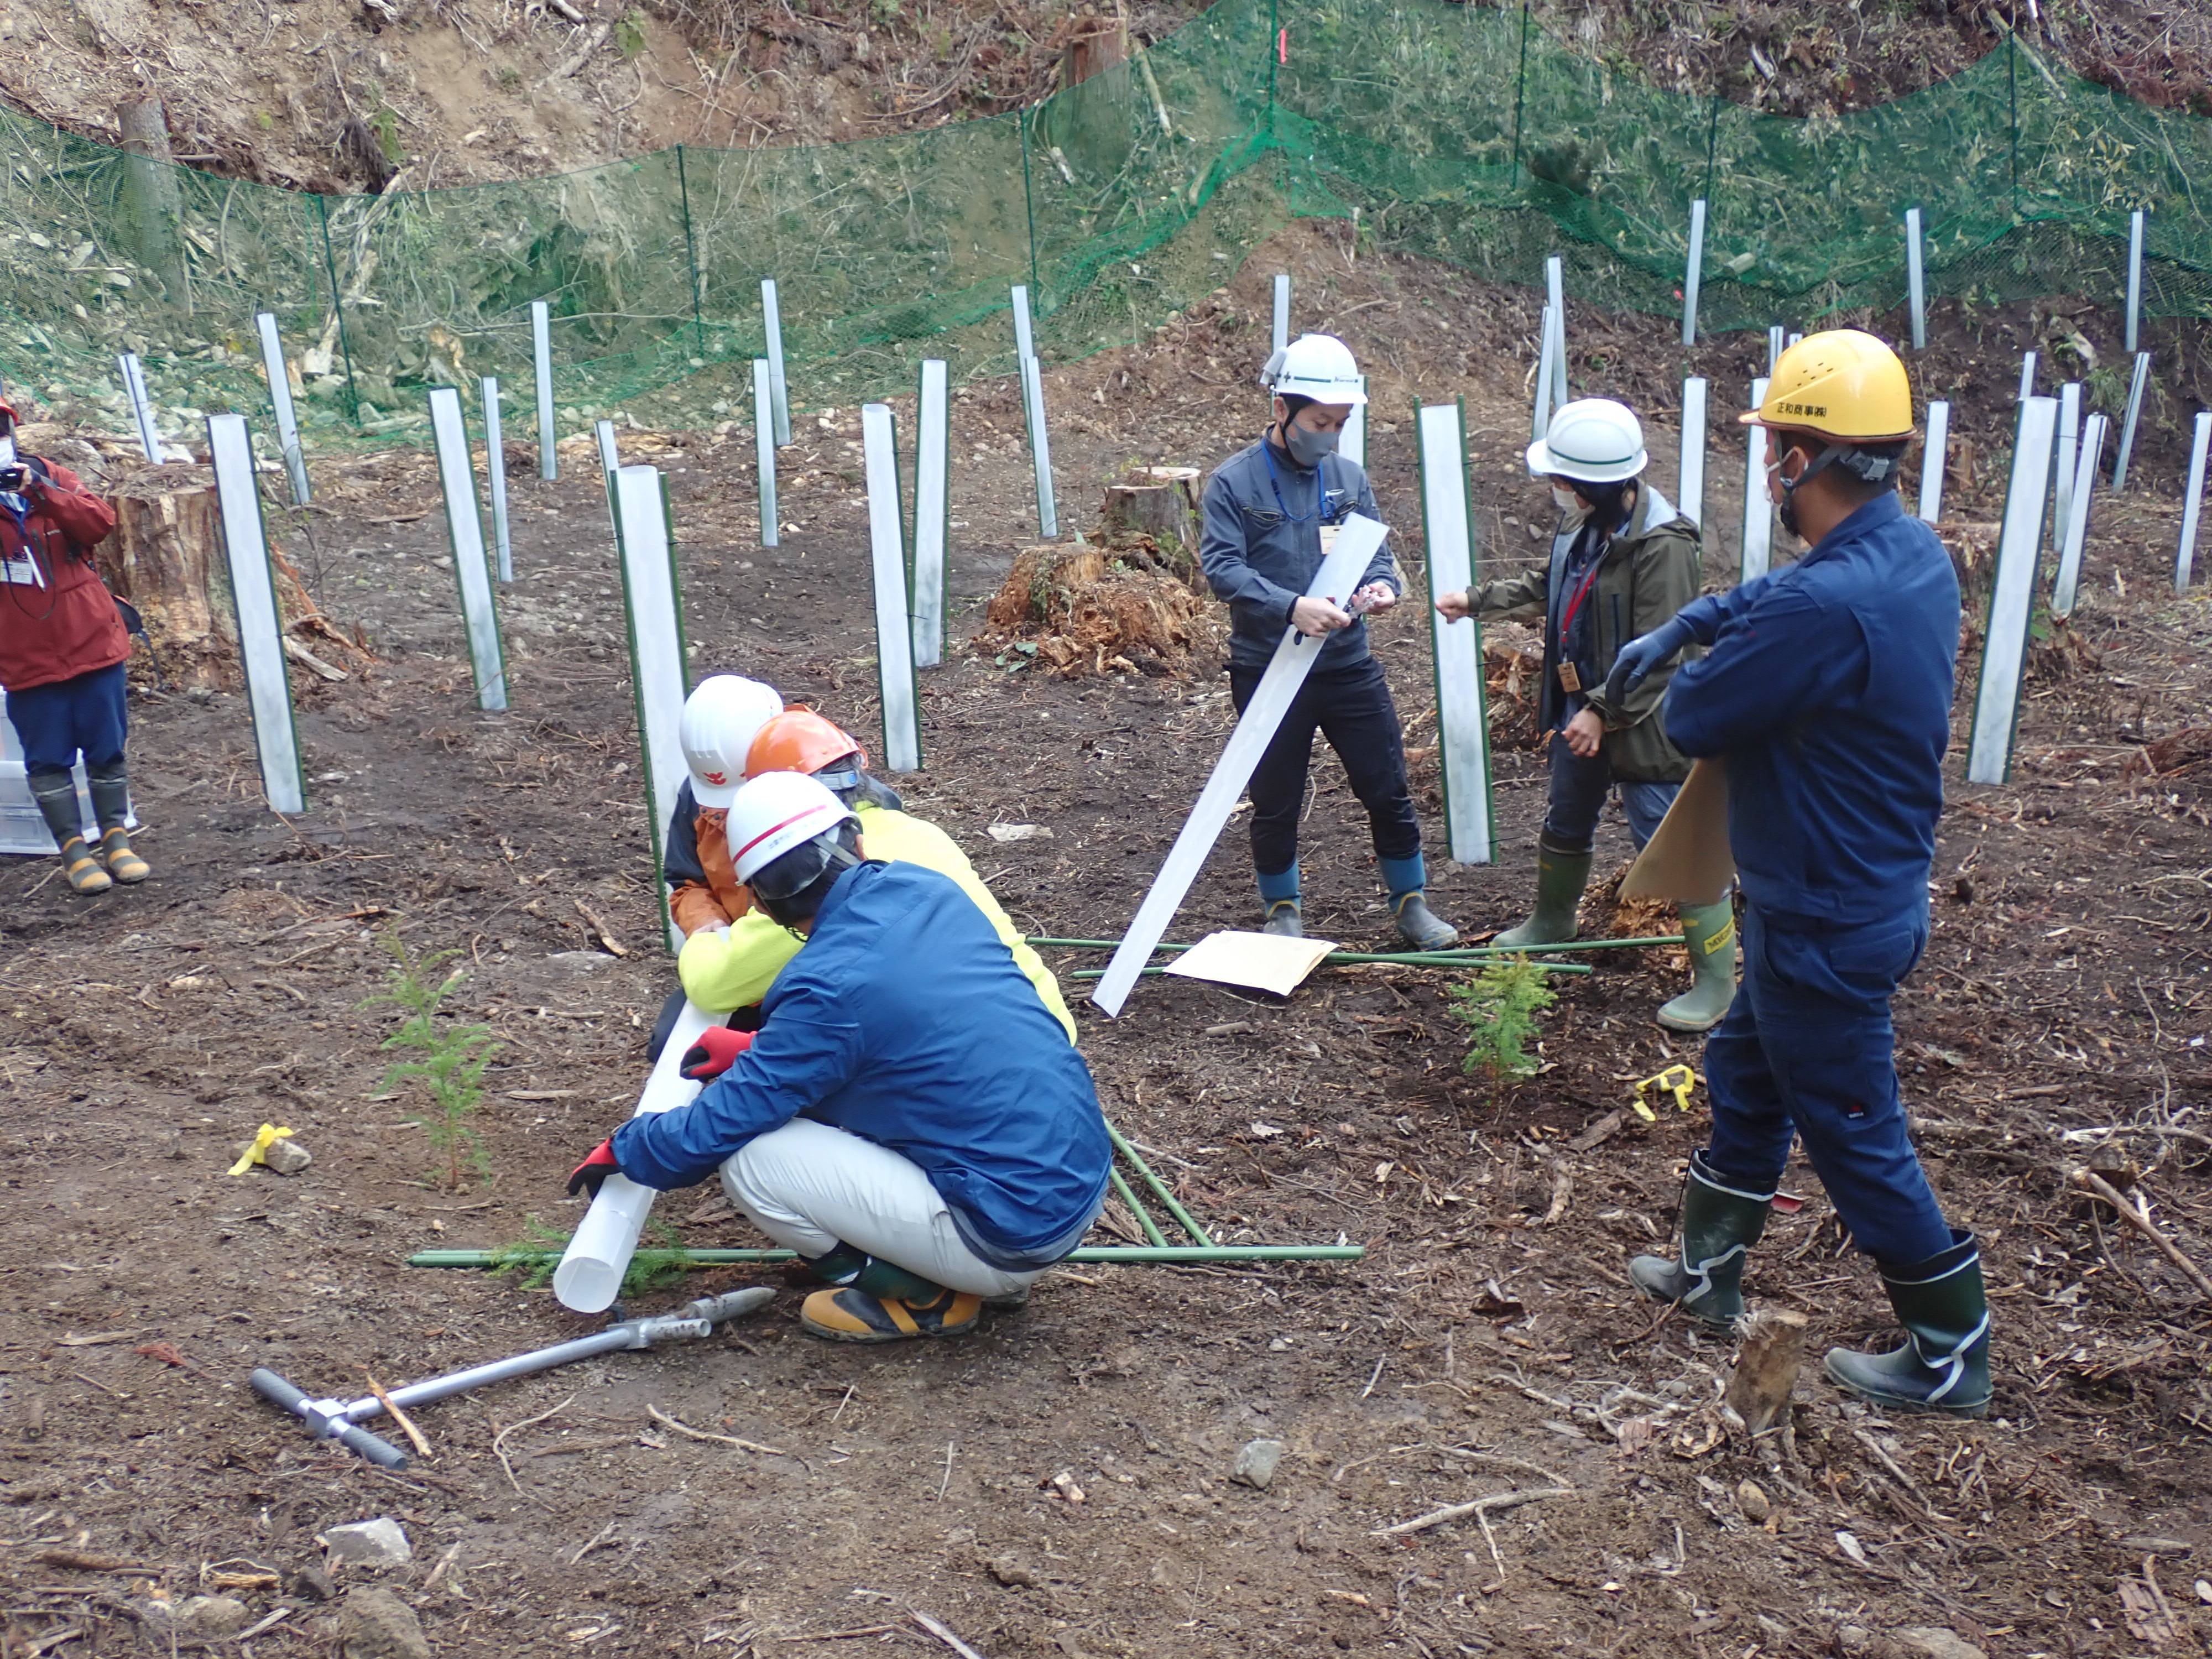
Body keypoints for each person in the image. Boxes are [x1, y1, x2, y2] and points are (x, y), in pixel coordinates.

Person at [1608, 330, 1985, 1416]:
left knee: (1854, 1133)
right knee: (1747, 1075)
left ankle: (1951, 1349)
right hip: (1841, 893)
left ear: (1801, 461)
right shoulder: (1906, 556)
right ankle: (1707, 1273)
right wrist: (1695, 616)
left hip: (1823, 913)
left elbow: (1693, 713)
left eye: (1772, 444)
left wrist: (1687, 653)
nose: (1763, 463)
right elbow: (1790, 600)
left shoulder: (1818, 610)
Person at [568, 771, 1110, 1342]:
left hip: (1010, 1232)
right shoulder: (928, 893)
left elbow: (718, 1129)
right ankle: (977, 1267)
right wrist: (764, 1052)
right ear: (854, 839)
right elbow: (918, 1039)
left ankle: (925, 1296)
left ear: (761, 903)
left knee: (754, 1160)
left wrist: (628, 1146)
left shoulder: (826, 985)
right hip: (1073, 1178)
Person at [1433, 397, 1735, 1032]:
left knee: (1676, 848)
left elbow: (1663, 650)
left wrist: (1602, 712)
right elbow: (1552, 586)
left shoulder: (1664, 545)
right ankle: (1552, 921)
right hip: (1583, 712)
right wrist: (1475, 600)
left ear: (1596, 483)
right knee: (1566, 817)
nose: (1556, 489)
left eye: (1563, 480)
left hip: (1647, 724)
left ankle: (1717, 982)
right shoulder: (1583, 527)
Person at [1198, 332, 1455, 948]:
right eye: (1320, 421)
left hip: (1346, 664)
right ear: (1281, 411)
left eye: (1339, 423)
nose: (1330, 435)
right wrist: (1291, 607)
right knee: (1276, 796)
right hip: (1269, 667)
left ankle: (1410, 902)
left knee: (1385, 782)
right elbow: (1222, 568)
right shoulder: (1233, 484)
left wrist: (1381, 589)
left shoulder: (1345, 478)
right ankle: (1282, 909)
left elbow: (1377, 557)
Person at [676, 707, 1076, 1044]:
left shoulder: (817, 879)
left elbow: (714, 983)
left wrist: (704, 930)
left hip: (984, 1082)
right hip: (1048, 1030)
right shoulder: (920, 832)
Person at [0, 404, 135, 894]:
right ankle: (74, 851)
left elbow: (100, 524)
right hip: (26, 652)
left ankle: (117, 839)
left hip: (92, 640)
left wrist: (39, 490)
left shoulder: (50, 477)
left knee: (107, 746)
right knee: (48, 756)